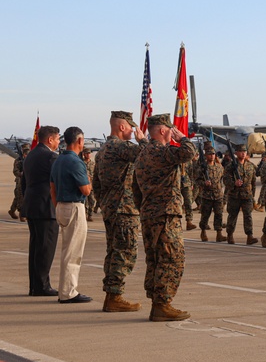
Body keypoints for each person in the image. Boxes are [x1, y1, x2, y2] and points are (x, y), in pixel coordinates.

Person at [134, 113, 197, 321]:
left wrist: (144, 208)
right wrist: (183, 139)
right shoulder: (162, 152)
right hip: (166, 214)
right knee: (172, 259)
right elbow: (189, 152)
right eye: (170, 129)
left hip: (149, 214)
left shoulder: (143, 153)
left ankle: (157, 301)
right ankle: (162, 304)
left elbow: (135, 189)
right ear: (162, 130)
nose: (172, 132)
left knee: (155, 259)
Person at [92, 110, 146, 312]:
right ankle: (114, 296)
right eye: (131, 127)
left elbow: (96, 182)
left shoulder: (104, 148)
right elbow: (149, 154)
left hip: (111, 208)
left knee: (114, 251)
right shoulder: (121, 147)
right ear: (122, 127)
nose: (134, 131)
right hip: (124, 209)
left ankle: (112, 295)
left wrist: (104, 202)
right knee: (125, 252)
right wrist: (143, 141)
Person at [50, 126, 93, 304]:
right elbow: (86, 190)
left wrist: (58, 205)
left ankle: (66, 289)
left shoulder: (58, 160)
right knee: (73, 253)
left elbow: (52, 187)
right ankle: (68, 292)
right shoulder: (75, 162)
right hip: (74, 206)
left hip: (61, 205)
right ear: (79, 141)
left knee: (68, 250)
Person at [21, 125, 60, 296]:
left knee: (36, 248)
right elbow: (59, 180)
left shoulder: (31, 155)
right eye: (58, 139)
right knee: (45, 249)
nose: (59, 142)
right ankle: (42, 286)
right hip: (46, 208)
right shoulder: (50, 156)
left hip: (33, 205)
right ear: (50, 139)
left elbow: (23, 183)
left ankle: (35, 285)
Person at [223, 143, 258, 245]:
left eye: (245, 152)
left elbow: (253, 182)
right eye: (241, 151)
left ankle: (249, 236)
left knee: (248, 215)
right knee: (232, 216)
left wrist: (253, 195)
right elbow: (225, 179)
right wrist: (234, 183)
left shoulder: (250, 166)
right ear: (236, 153)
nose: (243, 153)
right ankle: (230, 234)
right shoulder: (230, 166)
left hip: (247, 195)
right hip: (235, 195)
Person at [196, 145, 225, 242]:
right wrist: (204, 183)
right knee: (205, 215)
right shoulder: (203, 168)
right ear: (206, 155)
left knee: (219, 215)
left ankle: (219, 233)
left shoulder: (219, 167)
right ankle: (203, 231)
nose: (212, 156)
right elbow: (196, 180)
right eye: (209, 154)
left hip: (218, 195)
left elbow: (222, 178)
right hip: (207, 195)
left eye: (213, 154)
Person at [8, 143, 28, 220]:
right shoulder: (18, 160)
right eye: (25, 152)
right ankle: (22, 214)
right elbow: (15, 171)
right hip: (20, 180)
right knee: (20, 195)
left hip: (28, 179)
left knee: (19, 197)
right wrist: (20, 174)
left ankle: (12, 210)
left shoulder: (30, 159)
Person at [80, 147, 97, 222]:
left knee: (92, 201)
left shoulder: (93, 164)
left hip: (92, 185)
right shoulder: (81, 163)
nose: (88, 155)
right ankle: (86, 215)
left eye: (89, 153)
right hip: (85, 185)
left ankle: (90, 214)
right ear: (84, 154)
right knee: (85, 202)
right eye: (87, 153)